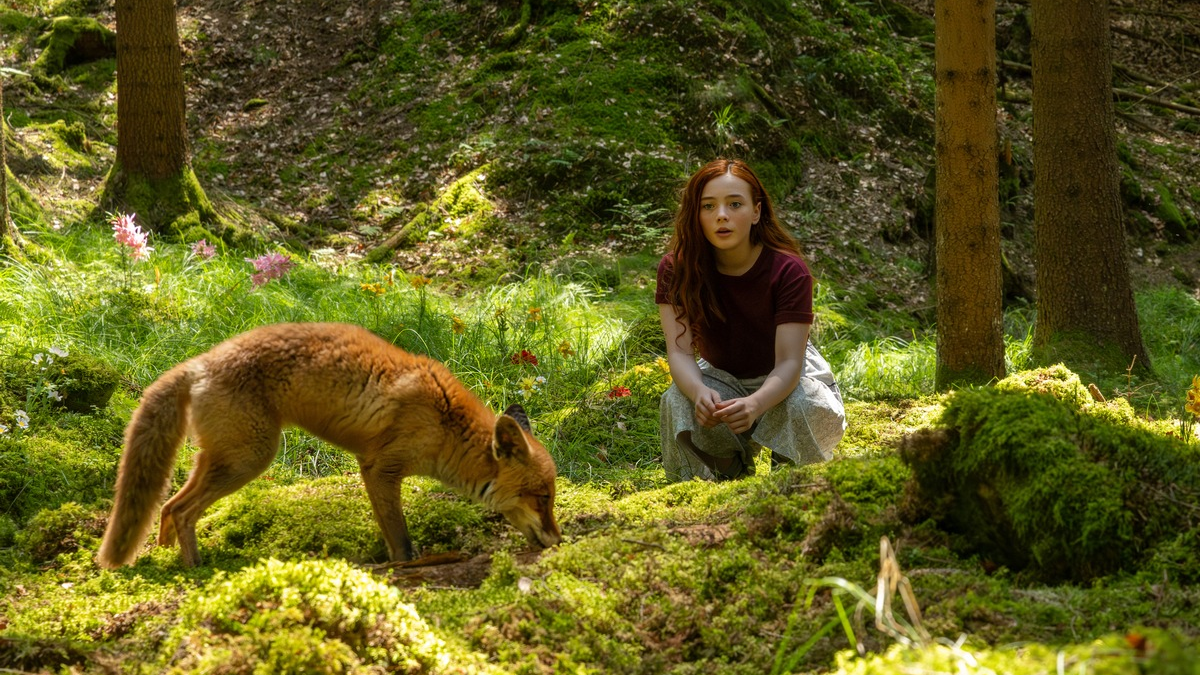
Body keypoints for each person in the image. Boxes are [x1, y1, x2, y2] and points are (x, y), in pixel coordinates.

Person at [656, 158, 846, 482]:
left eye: (735, 204)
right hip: (720, 377)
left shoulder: (788, 271)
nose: (721, 216)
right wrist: (699, 392)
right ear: (696, 214)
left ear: (756, 211)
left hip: (788, 379)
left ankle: (790, 475)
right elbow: (680, 353)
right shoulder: (677, 269)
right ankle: (727, 473)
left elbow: (788, 363)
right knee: (677, 397)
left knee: (802, 404)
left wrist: (756, 404)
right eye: (708, 206)